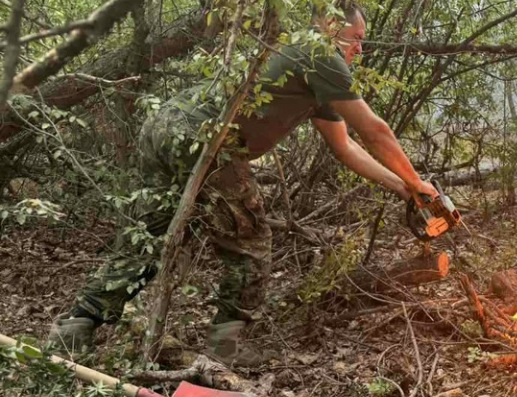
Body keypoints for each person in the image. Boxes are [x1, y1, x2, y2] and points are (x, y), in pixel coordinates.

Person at [48, 0, 438, 365]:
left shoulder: (306, 60)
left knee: (154, 235)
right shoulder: (322, 55)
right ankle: (225, 350)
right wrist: (418, 178)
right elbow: (375, 131)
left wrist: (406, 187)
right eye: (357, 39)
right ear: (330, 26)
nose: (359, 50)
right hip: (204, 137)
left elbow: (346, 147)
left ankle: (77, 325)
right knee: (249, 238)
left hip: (165, 126)